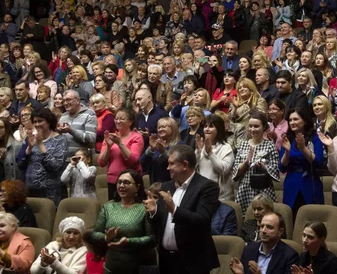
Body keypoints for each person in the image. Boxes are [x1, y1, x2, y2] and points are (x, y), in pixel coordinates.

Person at [143, 144, 221, 274]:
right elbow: (162, 221)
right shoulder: (166, 186)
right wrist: (154, 212)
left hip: (192, 262)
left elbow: (202, 219)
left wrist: (174, 209)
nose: (168, 168)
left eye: (172, 164)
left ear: (185, 165)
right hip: (166, 260)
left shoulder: (207, 187)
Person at [92, 169, 156, 274]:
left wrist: (129, 241)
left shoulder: (144, 209)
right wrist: (105, 237)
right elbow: (94, 233)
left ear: (137, 187)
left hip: (137, 267)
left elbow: (152, 239)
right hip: (111, 266)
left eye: (126, 182)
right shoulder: (108, 207)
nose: (121, 185)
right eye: (119, 182)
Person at [16, 108, 68, 206]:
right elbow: (20, 165)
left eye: (40, 121)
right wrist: (29, 148)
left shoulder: (61, 140)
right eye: (34, 121)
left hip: (51, 193)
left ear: (49, 122)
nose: (37, 124)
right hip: (31, 192)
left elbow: (55, 166)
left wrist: (40, 145)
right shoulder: (32, 139)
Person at [233, 111, 280, 214]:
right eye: (250, 126)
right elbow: (235, 170)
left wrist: (264, 167)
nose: (252, 129)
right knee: (245, 219)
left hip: (263, 189)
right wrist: (245, 163)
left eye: (256, 126)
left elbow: (276, 170)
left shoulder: (270, 145)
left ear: (264, 127)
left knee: (265, 217)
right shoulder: (243, 145)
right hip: (245, 189)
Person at [280, 107, 325, 216]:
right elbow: (282, 167)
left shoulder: (315, 138)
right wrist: (287, 152)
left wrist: (303, 148)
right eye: (290, 120)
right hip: (291, 183)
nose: (292, 122)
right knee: (291, 219)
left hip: (310, 182)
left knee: (312, 218)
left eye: (296, 119)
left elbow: (318, 162)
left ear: (304, 121)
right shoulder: (288, 139)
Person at [230, 212, 300, 274]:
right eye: (262, 226)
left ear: (280, 232)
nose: (263, 230)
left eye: (269, 227)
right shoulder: (248, 250)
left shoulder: (290, 256)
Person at [98, 107, 144, 200]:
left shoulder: (136, 137)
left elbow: (134, 160)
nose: (118, 121)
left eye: (122, 119)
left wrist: (120, 143)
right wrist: (108, 146)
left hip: (130, 182)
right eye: (116, 118)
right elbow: (101, 163)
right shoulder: (110, 137)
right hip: (112, 181)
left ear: (130, 122)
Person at [195, 114, 235, 202]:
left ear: (218, 129)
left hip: (221, 197)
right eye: (205, 126)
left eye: (211, 126)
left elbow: (224, 170)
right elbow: (193, 168)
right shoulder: (201, 146)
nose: (207, 129)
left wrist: (210, 153)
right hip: (202, 194)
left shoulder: (226, 147)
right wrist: (199, 151)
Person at [58, 89, 97, 158]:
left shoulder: (90, 114)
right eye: (64, 100)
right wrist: (58, 132)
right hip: (65, 160)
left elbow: (91, 139)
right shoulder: (63, 116)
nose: (65, 103)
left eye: (68, 100)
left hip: (83, 161)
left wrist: (71, 131)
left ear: (78, 100)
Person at [140, 117, 179, 184]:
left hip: (172, 184)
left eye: (163, 127)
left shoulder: (179, 145)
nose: (160, 129)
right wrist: (151, 149)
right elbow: (142, 163)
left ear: (173, 128)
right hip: (154, 185)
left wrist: (164, 152)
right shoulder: (156, 145)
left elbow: (177, 165)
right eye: (159, 127)